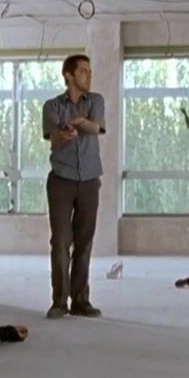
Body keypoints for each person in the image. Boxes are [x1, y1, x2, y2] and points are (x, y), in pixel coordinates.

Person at [42, 54, 106, 319]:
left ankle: (81, 300)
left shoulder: (96, 101)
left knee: (84, 242)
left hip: (89, 181)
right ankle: (59, 302)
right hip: (61, 181)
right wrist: (63, 134)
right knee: (60, 242)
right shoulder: (52, 106)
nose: (88, 75)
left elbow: (96, 126)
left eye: (89, 71)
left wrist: (80, 123)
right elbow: (53, 137)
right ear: (69, 75)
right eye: (83, 71)